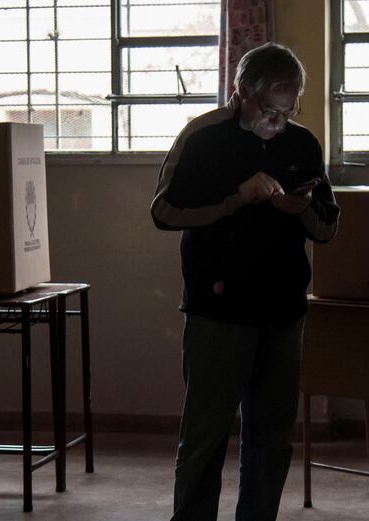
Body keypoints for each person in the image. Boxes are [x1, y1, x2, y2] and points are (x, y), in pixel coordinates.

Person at [150, 42, 340, 521]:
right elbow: (164, 211)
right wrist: (237, 198)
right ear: (241, 92)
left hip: (284, 310)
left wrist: (301, 211)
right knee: (205, 436)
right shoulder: (203, 137)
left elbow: (329, 227)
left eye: (289, 106)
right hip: (219, 310)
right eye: (270, 107)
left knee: (272, 438)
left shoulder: (302, 143)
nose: (279, 118)